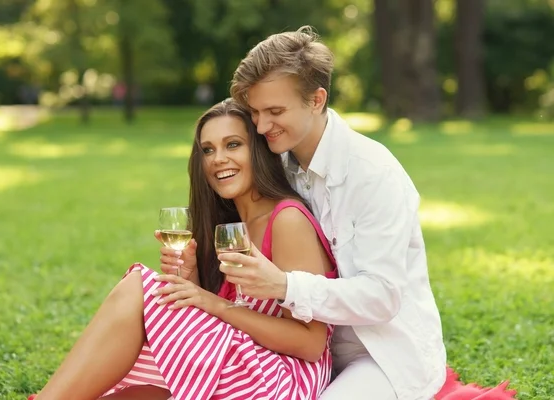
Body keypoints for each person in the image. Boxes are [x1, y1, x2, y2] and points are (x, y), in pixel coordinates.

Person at [220, 26, 516, 400]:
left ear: (316, 99)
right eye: (256, 112)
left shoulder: (373, 172)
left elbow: (382, 296)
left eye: (275, 111)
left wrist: (284, 285)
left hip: (379, 353)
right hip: (300, 348)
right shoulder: (274, 161)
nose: (261, 126)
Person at [29, 99, 338, 400]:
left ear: (257, 150)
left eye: (233, 144)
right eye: (207, 149)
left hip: (279, 379)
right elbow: (236, 318)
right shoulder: (230, 225)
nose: (217, 158)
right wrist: (192, 281)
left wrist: (210, 303)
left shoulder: (287, 220)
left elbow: (310, 343)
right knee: (128, 394)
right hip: (244, 363)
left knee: (140, 285)